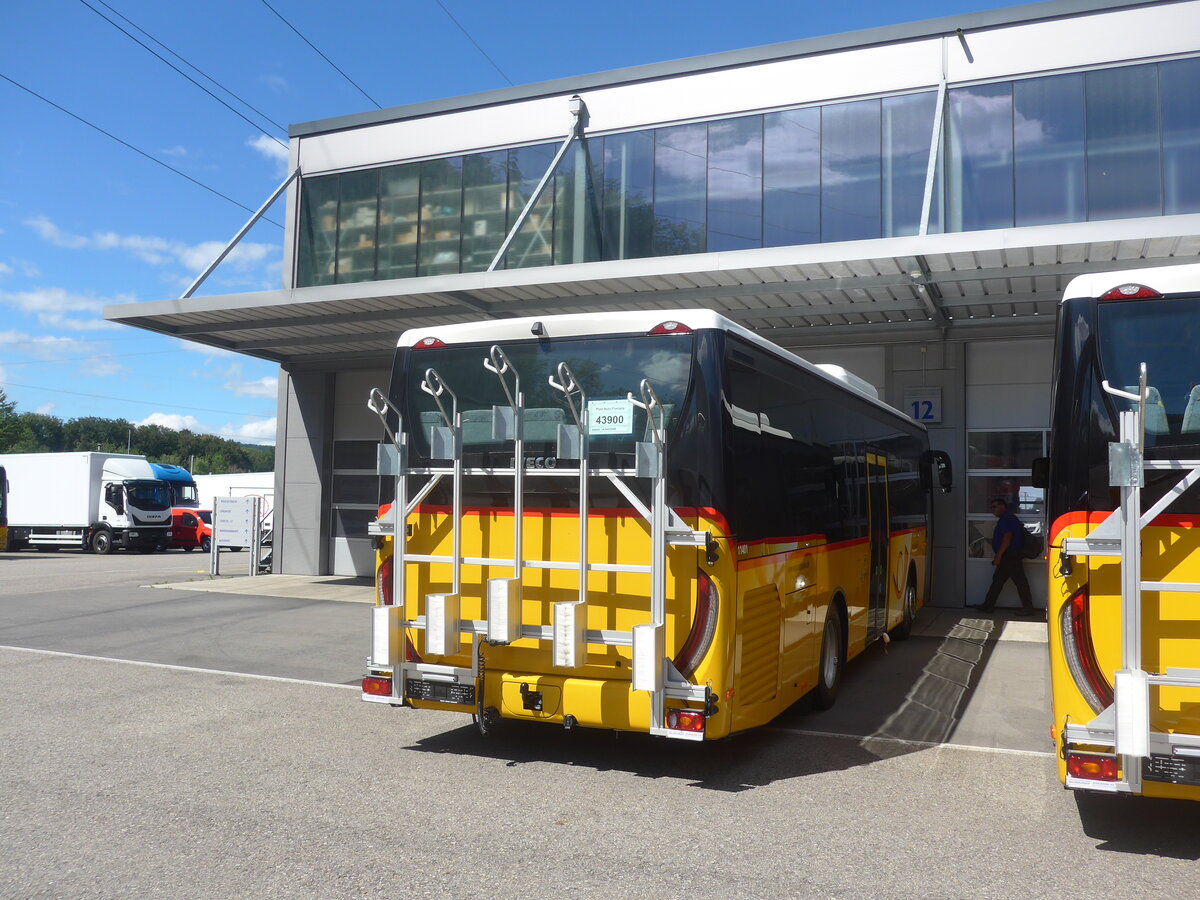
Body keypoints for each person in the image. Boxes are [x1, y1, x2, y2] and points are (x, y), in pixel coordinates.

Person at [971, 497, 1036, 615]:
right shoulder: (1005, 519)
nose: (992, 510)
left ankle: (1028, 608)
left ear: (1003, 506)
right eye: (991, 507)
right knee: (998, 581)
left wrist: (999, 555)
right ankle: (988, 605)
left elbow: (1007, 538)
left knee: (1019, 582)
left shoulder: (1007, 519)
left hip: (1010, 556)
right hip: (1008, 556)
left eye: (994, 507)